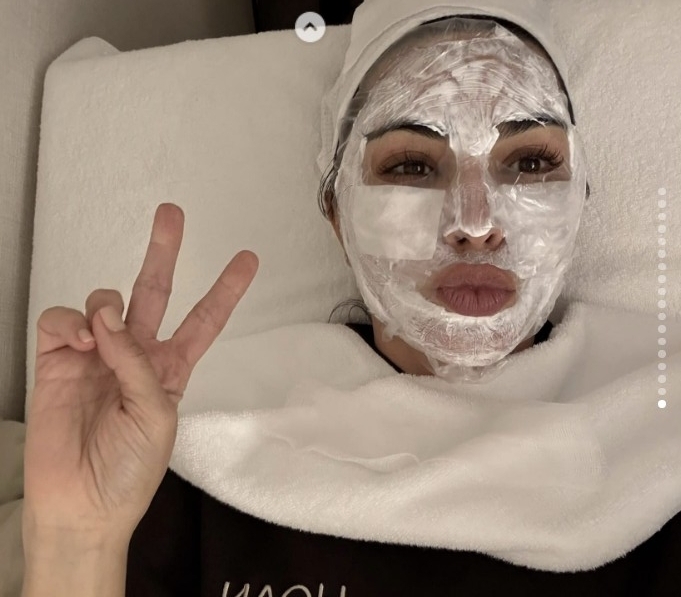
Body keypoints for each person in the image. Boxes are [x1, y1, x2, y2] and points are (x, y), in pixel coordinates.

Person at [19, 2, 681, 596]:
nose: (475, 223)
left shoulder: (657, 446)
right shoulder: (189, 433)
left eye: (530, 162)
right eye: (412, 166)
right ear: (337, 213)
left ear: (580, 198)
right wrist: (77, 537)